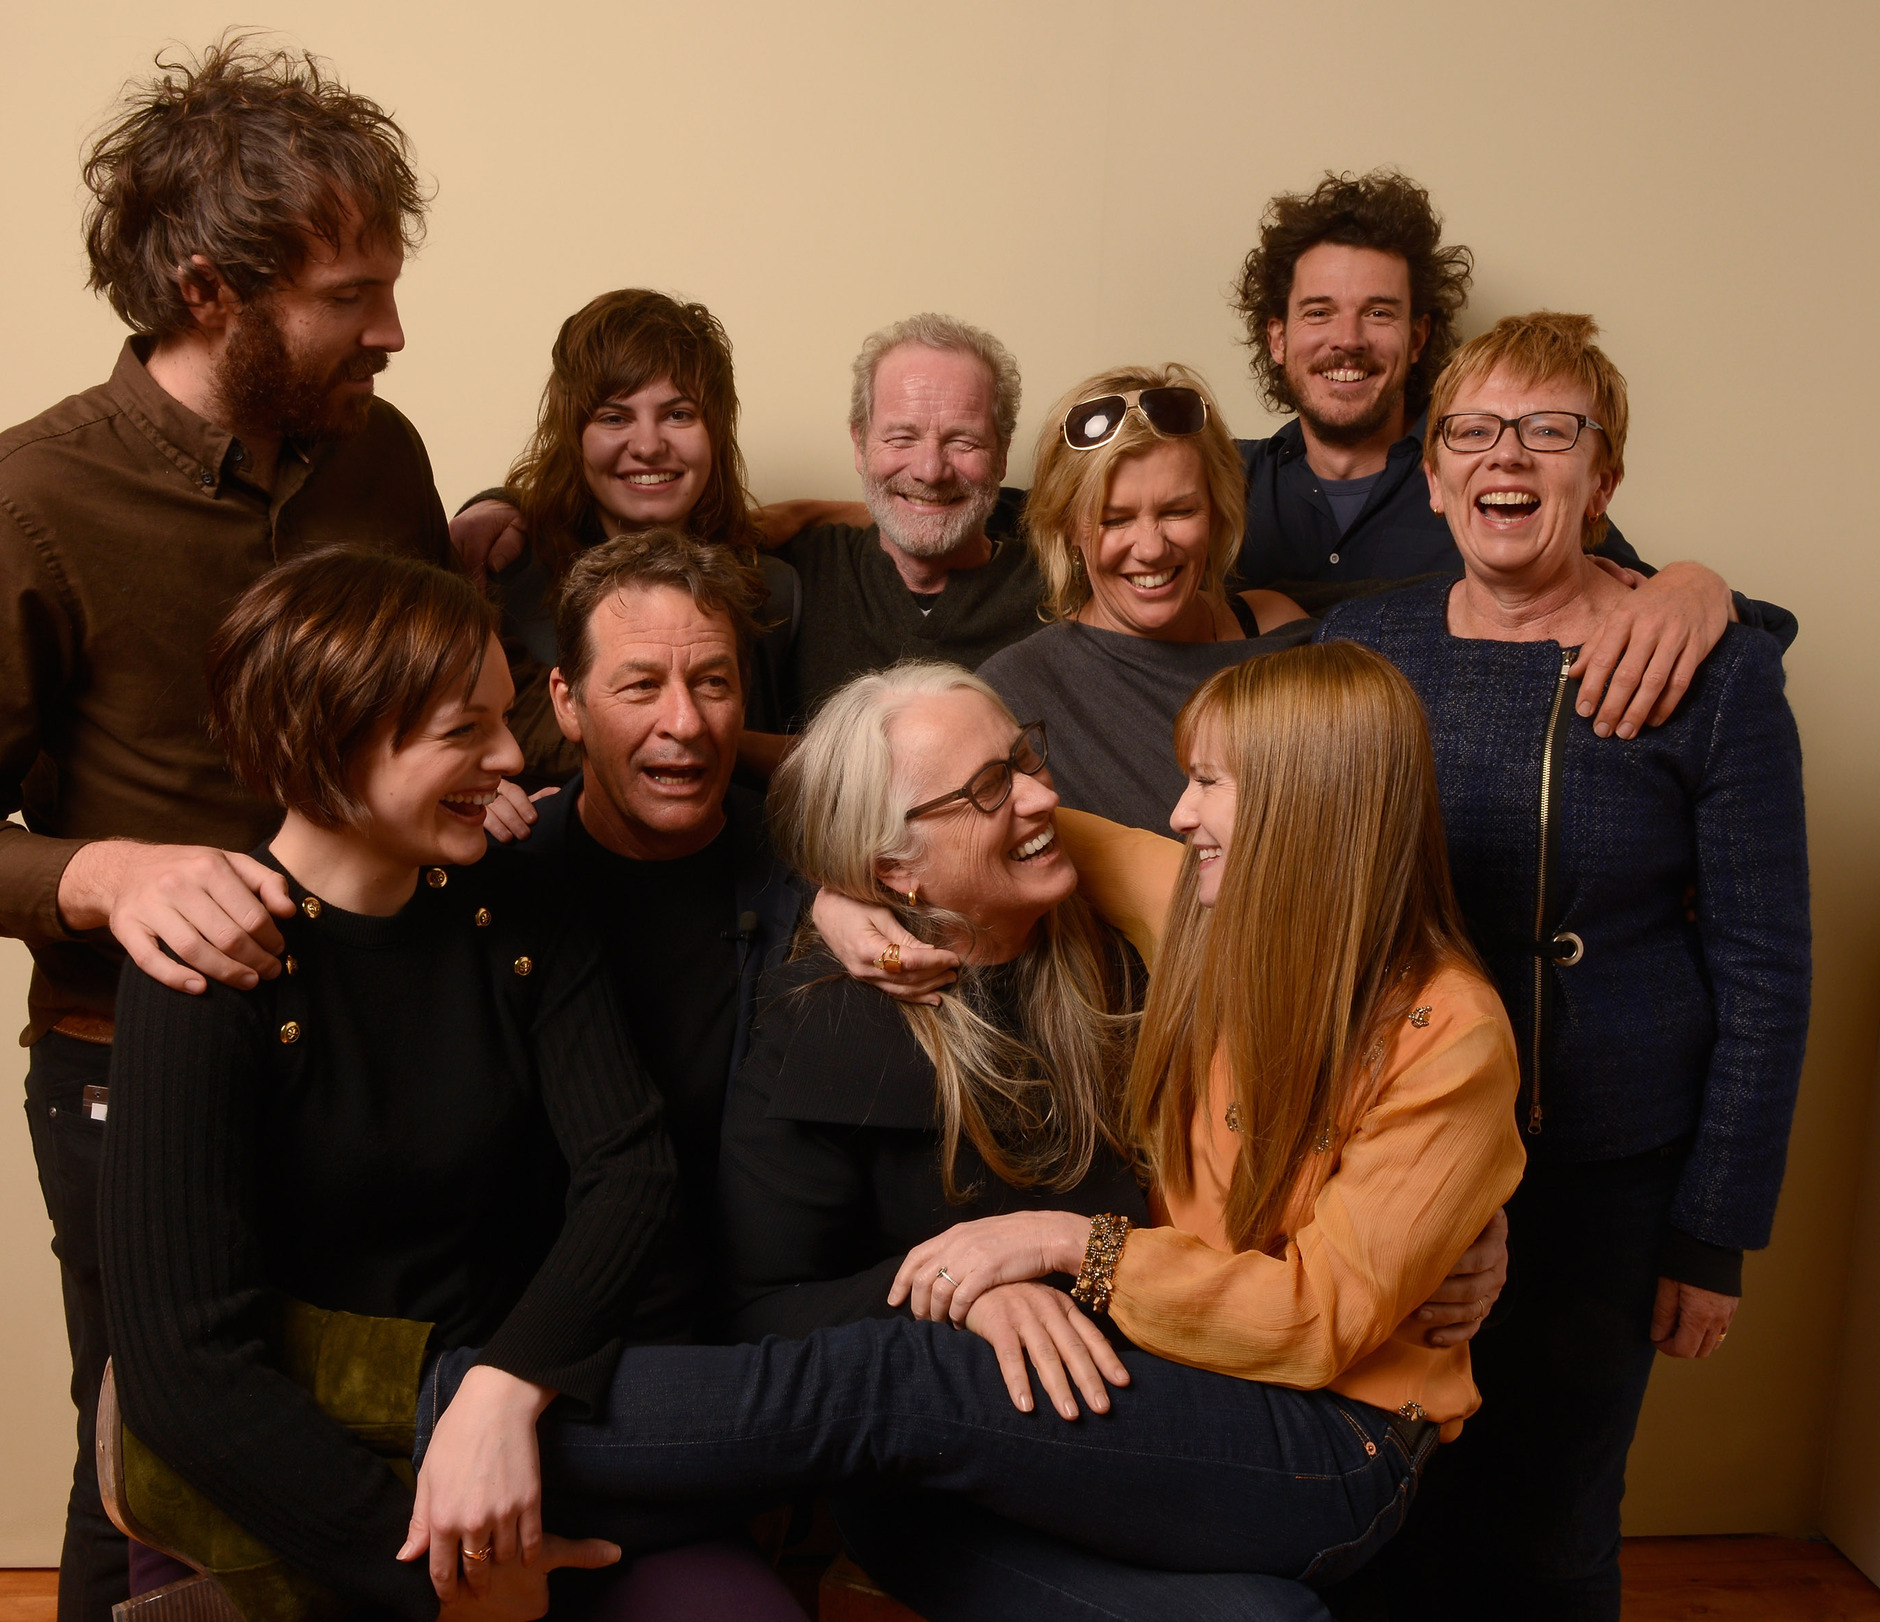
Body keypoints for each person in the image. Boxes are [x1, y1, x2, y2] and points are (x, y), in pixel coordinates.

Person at [461, 641, 1526, 1611]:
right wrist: (823, 889)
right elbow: (888, 824)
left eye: (1206, 782)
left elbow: (1316, 1314)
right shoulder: (1198, 901)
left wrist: (1068, 1244)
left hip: (1322, 1435)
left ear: (1307, 811)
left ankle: (484, 1424)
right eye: (992, 780)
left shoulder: (1431, 1023)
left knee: (910, 1377)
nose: (1175, 811)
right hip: (1138, 1403)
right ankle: (492, 1425)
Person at [0, 39, 450, 1618]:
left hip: (385, 1036)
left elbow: (437, 694)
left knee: (371, 1410)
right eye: (351, 294)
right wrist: (106, 873)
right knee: (147, 1457)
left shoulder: (380, 449)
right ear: (208, 293)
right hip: (130, 1059)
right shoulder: (9, 511)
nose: (392, 327)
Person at [102, 547, 805, 1622]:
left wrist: (504, 1388)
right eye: (463, 731)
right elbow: (189, 1375)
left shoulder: (509, 906)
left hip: (516, 1433)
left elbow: (630, 1174)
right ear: (329, 741)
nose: (512, 755)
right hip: (312, 1484)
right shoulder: (205, 971)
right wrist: (436, 1581)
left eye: (501, 717)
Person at [1315, 312, 1811, 1621]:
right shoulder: (1364, 648)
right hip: (1401, 1162)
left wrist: (1714, 1236)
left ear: (1607, 476)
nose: (1508, 455)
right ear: (1431, 475)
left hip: (1608, 1178)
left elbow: (1769, 972)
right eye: (1473, 430)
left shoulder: (1713, 667)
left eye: (1551, 430)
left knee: (1553, 1532)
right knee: (1378, 1514)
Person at [719, 659, 1334, 1621]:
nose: (1045, 794)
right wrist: (957, 1300)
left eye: (1025, 759)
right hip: (945, 1480)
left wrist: (1438, 1228)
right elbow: (763, 1311)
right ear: (894, 870)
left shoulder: (1131, 950)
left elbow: (1303, 1113)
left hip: (1154, 1415)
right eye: (990, 789)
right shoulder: (825, 1023)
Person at [1230, 167, 1795, 741]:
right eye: (1318, 311)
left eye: (1378, 312)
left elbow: (1679, 622)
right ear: (1277, 338)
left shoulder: (1496, 479)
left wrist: (1693, 584)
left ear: (1419, 337)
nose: (1347, 338)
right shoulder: (1221, 482)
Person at [497, 528, 808, 1343]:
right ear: (567, 702)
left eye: (713, 682)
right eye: (640, 686)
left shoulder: (810, 880)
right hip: (552, 1333)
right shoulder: (500, 884)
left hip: (770, 1328)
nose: (686, 722)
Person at [444, 290, 798, 776]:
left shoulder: (774, 591)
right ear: (574, 436)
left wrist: (815, 509)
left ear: (715, 430)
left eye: (678, 414)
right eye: (614, 418)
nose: (649, 446)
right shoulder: (502, 572)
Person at [979, 363, 1312, 834]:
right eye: (1114, 519)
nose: (1152, 548)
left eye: (1179, 510)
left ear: (1217, 511)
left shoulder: (1278, 626)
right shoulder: (1016, 691)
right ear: (1069, 526)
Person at [764, 314, 1047, 722]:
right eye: (901, 438)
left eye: (963, 441)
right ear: (860, 446)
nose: (930, 471)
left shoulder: (1058, 590)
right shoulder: (798, 575)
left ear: (1001, 456)